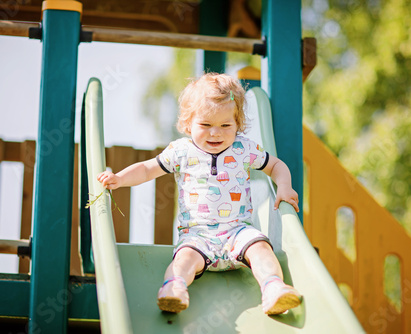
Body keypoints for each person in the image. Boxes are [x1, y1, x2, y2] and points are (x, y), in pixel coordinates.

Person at [97, 73, 302, 315]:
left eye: (226, 125)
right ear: (188, 124)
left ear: (237, 124)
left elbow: (276, 166)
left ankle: (273, 288)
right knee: (183, 260)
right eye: (205, 125)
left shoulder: (243, 149)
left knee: (260, 249)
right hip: (197, 236)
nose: (216, 133)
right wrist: (119, 179)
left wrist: (284, 186)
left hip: (238, 231)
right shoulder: (181, 151)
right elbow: (146, 169)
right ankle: (174, 289)